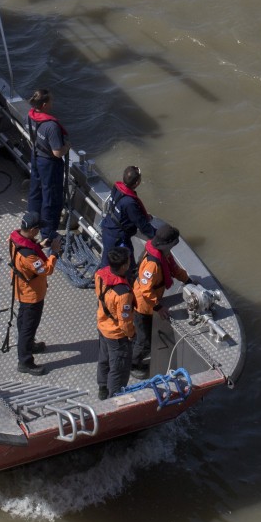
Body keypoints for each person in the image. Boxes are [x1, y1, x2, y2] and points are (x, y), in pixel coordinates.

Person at [130, 222, 190, 378]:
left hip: (149, 302)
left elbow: (174, 270)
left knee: (143, 334)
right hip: (143, 306)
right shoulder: (152, 265)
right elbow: (145, 290)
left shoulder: (164, 254)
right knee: (145, 340)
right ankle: (134, 364)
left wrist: (188, 280)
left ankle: (135, 346)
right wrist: (158, 307)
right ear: (166, 244)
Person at [8, 213, 58, 375]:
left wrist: (40, 246)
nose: (38, 232)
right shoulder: (28, 255)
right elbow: (45, 269)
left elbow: (29, 250)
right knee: (28, 326)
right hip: (32, 295)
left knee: (23, 321)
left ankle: (28, 345)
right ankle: (25, 361)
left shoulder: (15, 239)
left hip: (22, 288)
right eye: (37, 229)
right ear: (32, 230)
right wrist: (54, 253)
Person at [25, 89, 68, 244]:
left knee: (35, 190)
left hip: (36, 156)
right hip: (49, 163)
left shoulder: (30, 116)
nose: (52, 103)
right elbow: (57, 153)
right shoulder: (51, 126)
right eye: (51, 101)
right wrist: (67, 147)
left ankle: (31, 221)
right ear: (44, 105)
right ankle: (47, 234)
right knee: (50, 197)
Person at [94, 247, 136, 399]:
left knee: (104, 359)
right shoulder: (123, 294)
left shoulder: (100, 275)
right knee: (118, 368)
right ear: (124, 266)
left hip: (103, 326)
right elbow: (124, 321)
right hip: (116, 335)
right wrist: (131, 334)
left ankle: (102, 388)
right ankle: (115, 397)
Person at [99, 166, 156, 259]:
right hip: (117, 238)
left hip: (108, 228)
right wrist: (155, 235)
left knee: (111, 262)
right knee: (121, 266)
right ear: (137, 183)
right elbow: (141, 224)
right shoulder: (130, 203)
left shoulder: (116, 188)